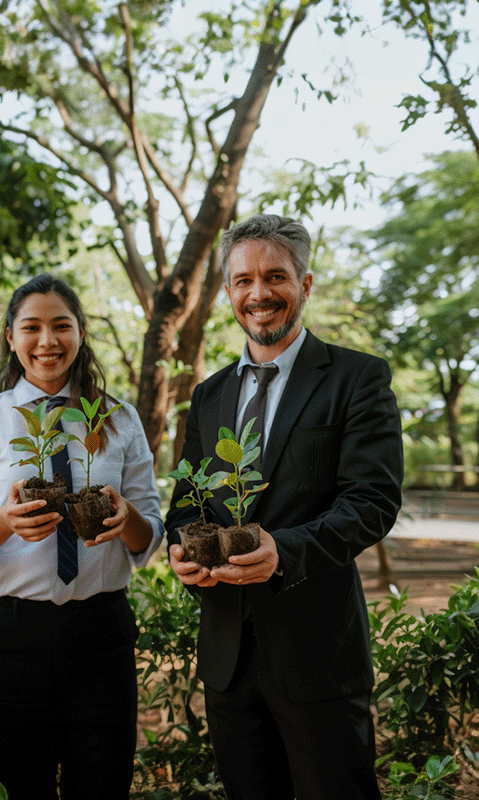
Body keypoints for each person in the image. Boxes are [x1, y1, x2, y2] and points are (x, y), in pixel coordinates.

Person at [166, 214, 403, 800]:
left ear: (305, 285)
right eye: (243, 280)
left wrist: (285, 552)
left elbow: (372, 500)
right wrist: (181, 552)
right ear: (228, 292)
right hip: (227, 656)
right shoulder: (209, 393)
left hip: (318, 655)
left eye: (276, 276)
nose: (259, 293)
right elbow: (186, 502)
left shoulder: (357, 378)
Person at [0, 273, 164, 799]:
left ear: (81, 333)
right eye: (32, 327)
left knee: (102, 786)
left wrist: (125, 515)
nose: (48, 341)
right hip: (11, 637)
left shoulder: (118, 419)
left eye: (61, 326)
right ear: (10, 337)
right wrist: (5, 522)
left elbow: (150, 537)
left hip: (101, 634)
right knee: (15, 788)